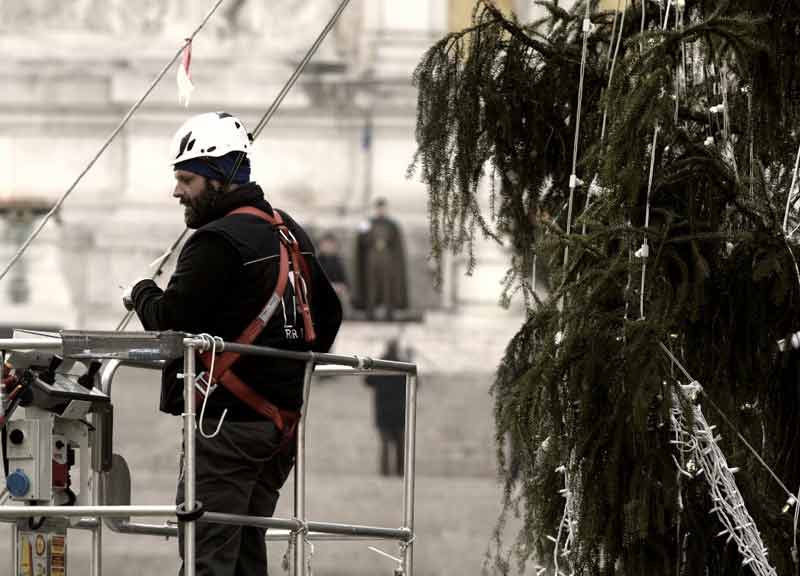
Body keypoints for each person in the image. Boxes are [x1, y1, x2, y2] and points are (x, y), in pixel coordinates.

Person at [123, 111, 342, 576]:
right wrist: (283, 371)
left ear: (219, 179)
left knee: (209, 558)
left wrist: (142, 290)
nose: (176, 191)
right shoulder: (289, 230)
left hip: (225, 426)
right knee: (243, 556)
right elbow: (329, 317)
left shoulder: (215, 241)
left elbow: (171, 323)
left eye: (186, 179)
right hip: (279, 426)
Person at [356, 197, 408, 320]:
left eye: (383, 208)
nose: (381, 210)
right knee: (371, 284)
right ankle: (370, 312)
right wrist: (370, 240)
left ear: (386, 209)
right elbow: (360, 239)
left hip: (387, 259)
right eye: (379, 208)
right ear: (376, 209)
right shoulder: (367, 222)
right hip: (371, 258)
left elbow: (396, 244)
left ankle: (389, 313)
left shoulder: (392, 225)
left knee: (387, 285)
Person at [364, 339, 408, 476]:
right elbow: (415, 383)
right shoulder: (403, 364)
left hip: (383, 410)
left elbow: (367, 381)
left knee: (385, 443)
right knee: (400, 443)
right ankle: (400, 471)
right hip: (399, 410)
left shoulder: (379, 364)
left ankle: (385, 471)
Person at [316, 231, 350, 317]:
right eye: (326, 244)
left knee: (344, 294)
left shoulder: (338, 261)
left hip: (336, 289)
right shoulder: (317, 260)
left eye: (331, 244)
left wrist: (342, 286)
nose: (328, 246)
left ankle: (344, 315)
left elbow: (344, 279)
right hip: (321, 288)